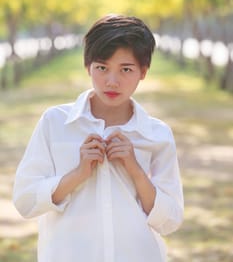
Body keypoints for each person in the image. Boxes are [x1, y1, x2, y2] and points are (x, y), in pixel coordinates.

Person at [13, 14, 184, 262]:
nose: (112, 81)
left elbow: (170, 221)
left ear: (143, 72)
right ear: (88, 66)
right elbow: (25, 200)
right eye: (102, 68)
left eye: (126, 69)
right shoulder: (55, 123)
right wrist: (77, 175)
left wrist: (134, 170)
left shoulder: (156, 135)